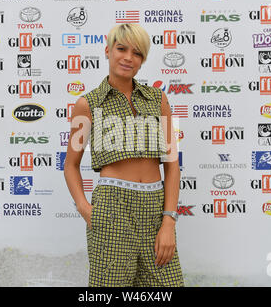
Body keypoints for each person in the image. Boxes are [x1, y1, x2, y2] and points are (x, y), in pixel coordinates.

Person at [64, 23, 184, 287]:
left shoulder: (157, 99)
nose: (129, 58)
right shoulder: (88, 103)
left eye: (137, 53)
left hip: (155, 208)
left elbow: (172, 165)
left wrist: (169, 221)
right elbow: (71, 165)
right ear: (108, 51)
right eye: (121, 49)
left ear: (143, 60)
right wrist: (86, 210)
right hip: (112, 208)